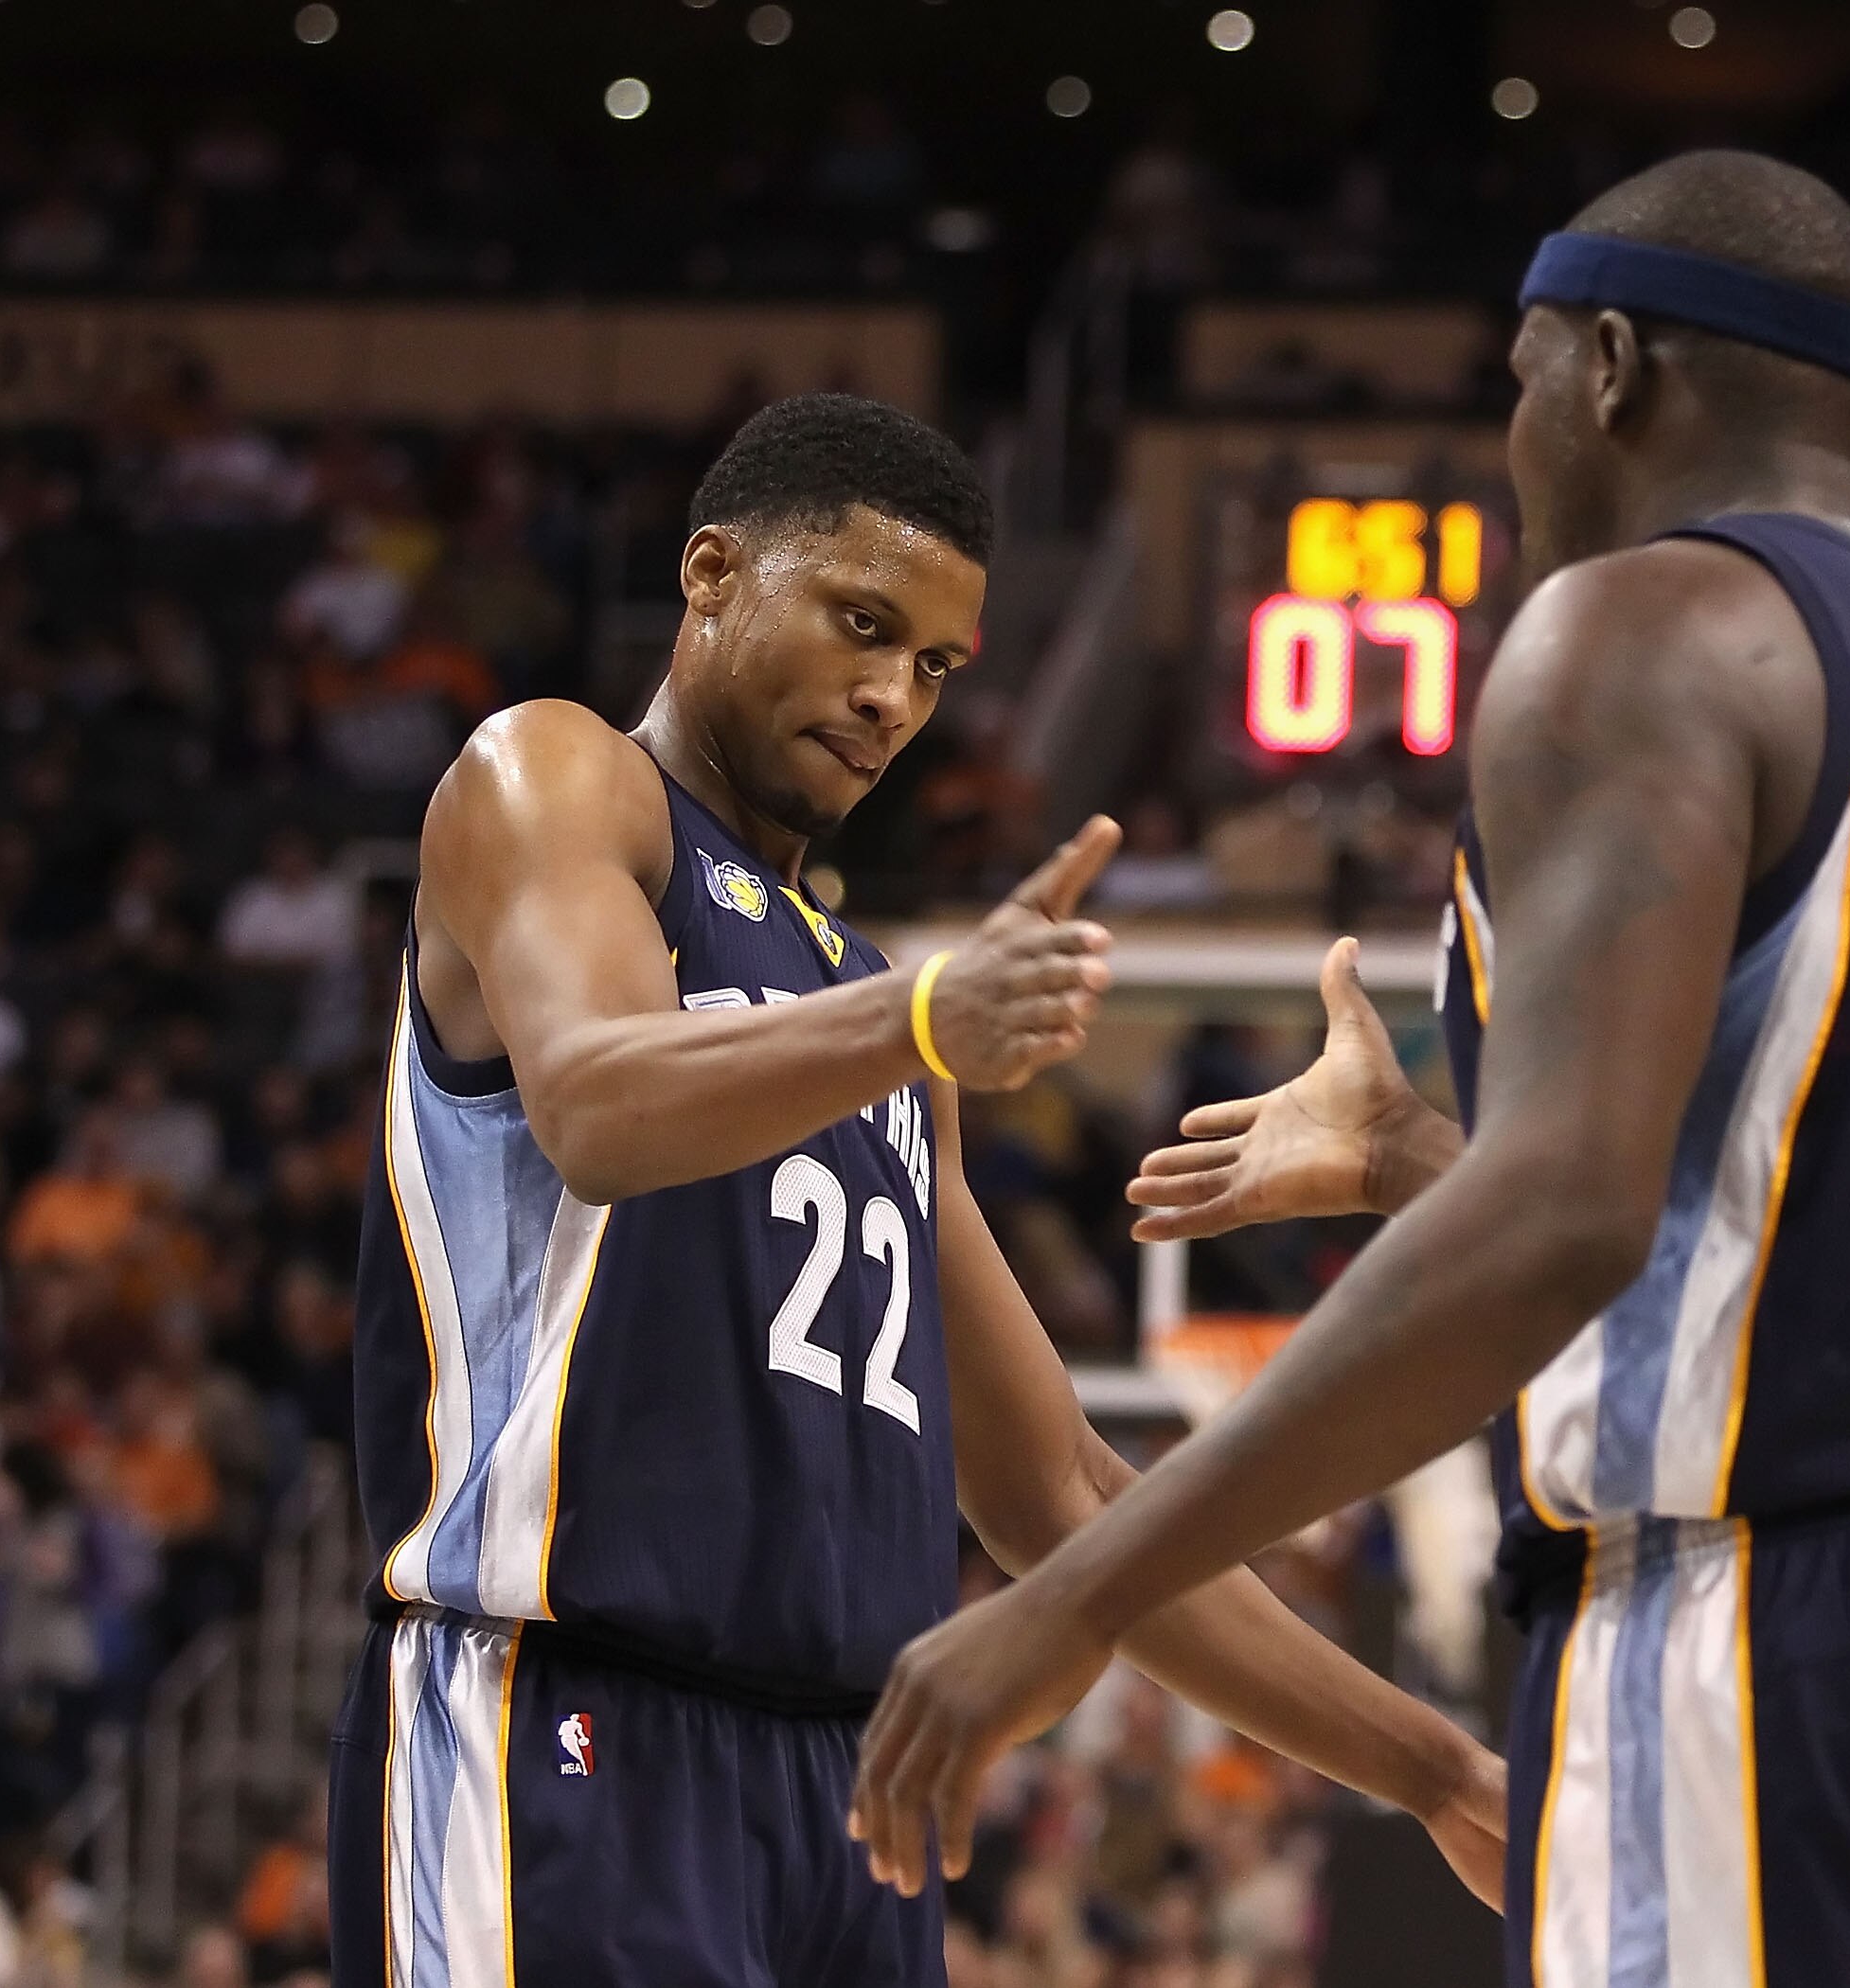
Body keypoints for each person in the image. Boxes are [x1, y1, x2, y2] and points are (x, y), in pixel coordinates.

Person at [851, 153, 1850, 1986]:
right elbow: (1797, 1249)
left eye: (1520, 377)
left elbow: (1568, 1223)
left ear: (1612, 368)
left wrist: (1076, 1593)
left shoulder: (1639, 630)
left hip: (1760, 1642)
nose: (1516, 433)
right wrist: (1408, 1157)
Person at [327, 394, 1501, 1988]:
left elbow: (1063, 1497)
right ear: (713, 575)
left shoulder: (871, 1011)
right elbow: (599, 1102)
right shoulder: (558, 780)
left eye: (936, 667)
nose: (891, 698)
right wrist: (924, 1015)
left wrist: (1433, 1769)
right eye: (862, 626)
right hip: (571, 1733)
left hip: (848, 1798)